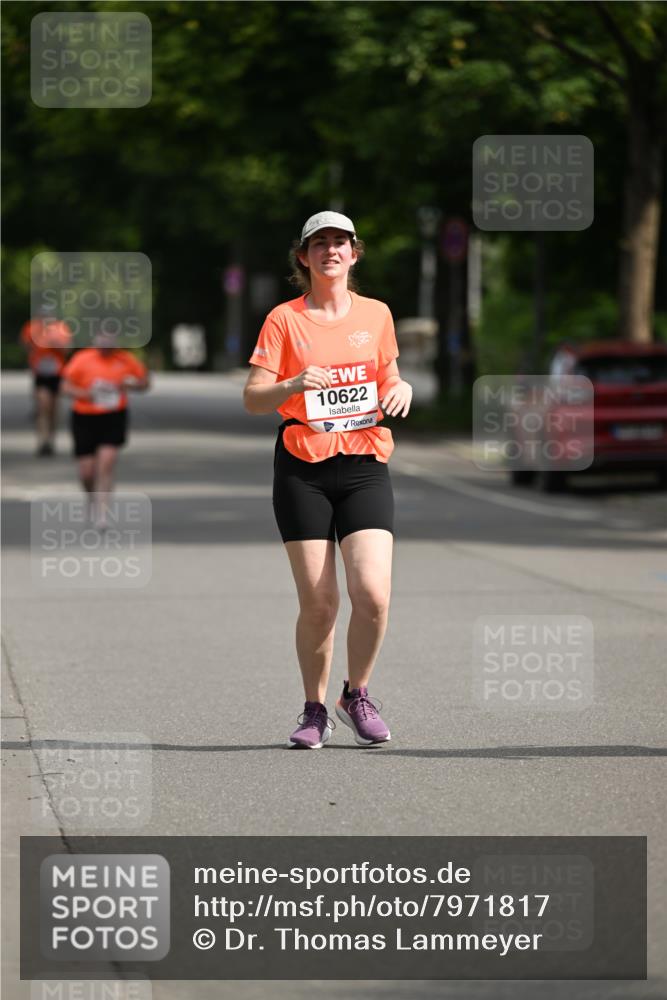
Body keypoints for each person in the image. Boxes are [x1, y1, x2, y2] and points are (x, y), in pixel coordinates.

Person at [243, 211, 413, 749]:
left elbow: (386, 372)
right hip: (302, 468)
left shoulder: (377, 314)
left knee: (373, 595)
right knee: (319, 604)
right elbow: (253, 397)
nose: (331, 251)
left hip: (364, 463)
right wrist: (293, 381)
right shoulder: (284, 320)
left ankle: (355, 693)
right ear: (304, 257)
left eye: (340, 242)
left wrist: (400, 386)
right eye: (320, 244)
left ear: (354, 254)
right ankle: (314, 710)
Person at [60, 332, 150, 526]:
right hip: (84, 417)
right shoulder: (82, 359)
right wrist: (85, 394)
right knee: (87, 472)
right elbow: (65, 386)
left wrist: (132, 384)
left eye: (110, 342)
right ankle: (91, 499)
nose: (106, 345)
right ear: (95, 341)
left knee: (106, 463)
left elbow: (145, 383)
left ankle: (102, 512)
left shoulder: (126, 359)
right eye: (102, 341)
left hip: (113, 416)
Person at [20, 310, 72, 456]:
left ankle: (51, 439)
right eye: (43, 314)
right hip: (41, 373)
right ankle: (42, 441)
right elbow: (25, 344)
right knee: (43, 406)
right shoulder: (32, 327)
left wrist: (56, 344)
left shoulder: (61, 328)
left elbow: (67, 349)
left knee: (53, 409)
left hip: (57, 373)